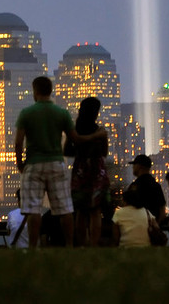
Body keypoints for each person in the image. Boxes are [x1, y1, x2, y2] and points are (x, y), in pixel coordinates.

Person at [13, 75, 76, 248]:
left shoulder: (26, 113)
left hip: (33, 164)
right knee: (64, 209)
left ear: (35, 91)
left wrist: (20, 164)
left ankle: (33, 248)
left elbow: (18, 142)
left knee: (33, 209)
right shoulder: (61, 113)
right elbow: (73, 138)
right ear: (50, 90)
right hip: (56, 163)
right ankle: (70, 246)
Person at [70, 95, 109, 246]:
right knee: (95, 211)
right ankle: (93, 244)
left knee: (80, 211)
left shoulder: (75, 129)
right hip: (97, 170)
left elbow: (68, 149)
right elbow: (104, 153)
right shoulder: (100, 131)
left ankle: (81, 244)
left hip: (79, 170)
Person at [130, 155, 166, 222]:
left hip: (137, 226)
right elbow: (162, 212)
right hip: (153, 227)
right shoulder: (156, 186)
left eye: (134, 164)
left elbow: (128, 208)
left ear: (139, 166)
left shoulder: (134, 186)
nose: (133, 167)